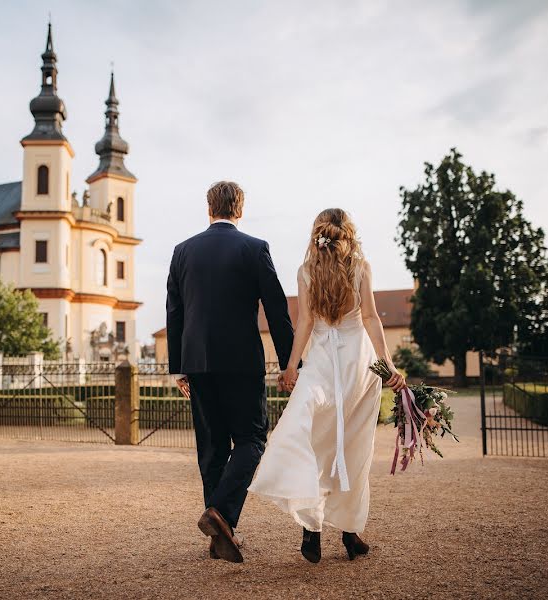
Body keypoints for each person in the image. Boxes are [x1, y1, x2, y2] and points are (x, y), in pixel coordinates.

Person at [247, 208, 405, 563]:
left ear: (317, 236)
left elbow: (304, 323)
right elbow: (370, 319)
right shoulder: (361, 267)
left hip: (319, 366)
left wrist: (291, 367)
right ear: (348, 234)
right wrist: (388, 365)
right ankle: (350, 535)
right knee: (355, 448)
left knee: (313, 442)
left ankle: (311, 531)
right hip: (360, 367)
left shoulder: (305, 272)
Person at [166, 181, 295, 563]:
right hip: (241, 362)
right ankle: (220, 515)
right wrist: (291, 363)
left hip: (198, 361)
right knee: (252, 439)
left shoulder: (181, 251)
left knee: (213, 446)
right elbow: (276, 310)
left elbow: (175, 312)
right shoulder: (255, 248)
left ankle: (219, 534)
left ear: (210, 208)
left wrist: (180, 368)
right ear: (240, 209)